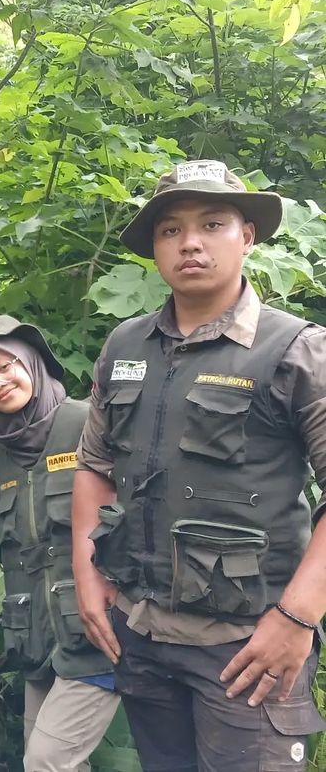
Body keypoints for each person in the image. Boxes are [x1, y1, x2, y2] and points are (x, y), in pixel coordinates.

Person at [71, 160, 326, 771]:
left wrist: (296, 619)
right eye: (170, 230)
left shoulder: (295, 350)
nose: (189, 242)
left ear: (248, 236)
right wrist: (87, 576)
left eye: (213, 223)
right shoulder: (124, 346)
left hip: (247, 645)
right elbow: (95, 465)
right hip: (143, 632)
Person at [0, 316, 119, 771]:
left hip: (96, 635)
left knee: (47, 763)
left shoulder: (89, 423)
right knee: (43, 760)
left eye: (6, 367)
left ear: (34, 361)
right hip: (37, 642)